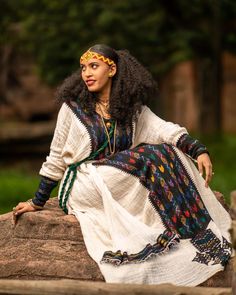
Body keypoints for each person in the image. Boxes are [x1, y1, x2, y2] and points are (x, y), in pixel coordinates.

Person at [13, 44, 232, 286]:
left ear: (112, 69)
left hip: (119, 179)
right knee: (148, 157)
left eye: (94, 66)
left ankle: (195, 236)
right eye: (84, 68)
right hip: (84, 183)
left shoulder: (131, 110)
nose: (86, 73)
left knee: (169, 152)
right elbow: (55, 158)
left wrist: (198, 150)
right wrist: (37, 201)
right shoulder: (73, 109)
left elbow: (164, 130)